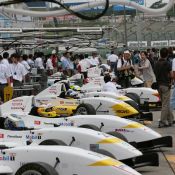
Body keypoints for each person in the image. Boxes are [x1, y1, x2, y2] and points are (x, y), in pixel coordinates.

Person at [155, 48, 174, 127]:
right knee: (165, 104)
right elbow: (172, 75)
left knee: (165, 103)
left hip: (158, 85)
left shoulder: (156, 63)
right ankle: (162, 121)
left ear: (160, 54)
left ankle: (170, 119)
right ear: (167, 55)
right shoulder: (167, 63)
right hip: (166, 85)